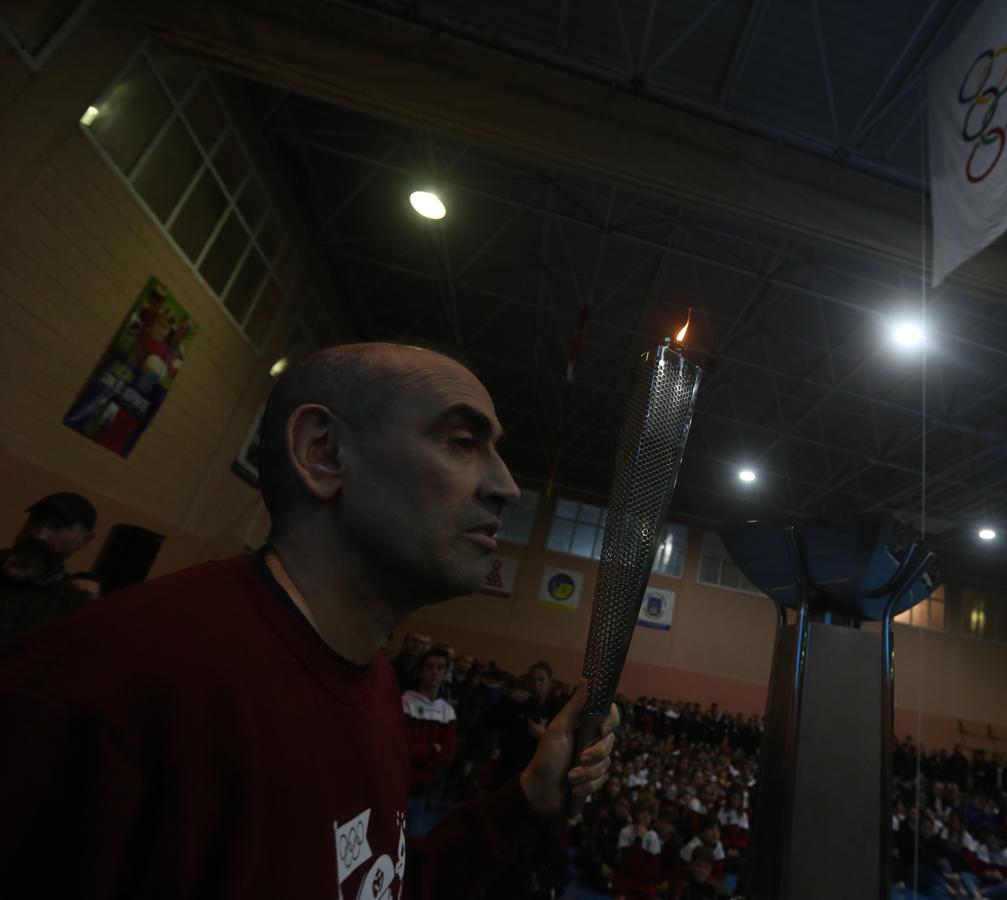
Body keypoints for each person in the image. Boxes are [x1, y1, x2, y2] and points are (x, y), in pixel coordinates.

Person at [0, 343, 619, 899]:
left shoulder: (375, 684)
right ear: (323, 452)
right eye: (461, 442)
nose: (507, 487)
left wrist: (525, 801)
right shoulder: (99, 695)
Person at [0, 491, 97, 639]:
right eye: (36, 520)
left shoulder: (74, 608)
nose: (39, 535)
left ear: (84, 541)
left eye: (59, 526)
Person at [403, 648, 458, 837]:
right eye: (430, 667)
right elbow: (402, 748)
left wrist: (422, 754)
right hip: (400, 781)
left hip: (423, 787)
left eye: (440, 668)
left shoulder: (447, 711)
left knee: (412, 839)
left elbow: (447, 755)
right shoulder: (405, 702)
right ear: (420, 671)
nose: (435, 672)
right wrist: (432, 748)